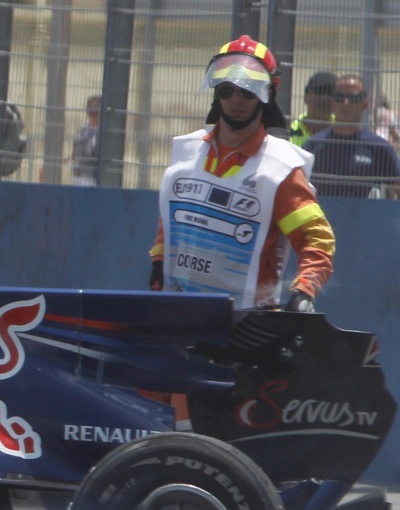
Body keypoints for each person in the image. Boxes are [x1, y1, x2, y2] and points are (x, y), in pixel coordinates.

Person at [148, 35, 334, 313]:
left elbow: (317, 239)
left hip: (249, 326)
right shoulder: (187, 152)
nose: (236, 99)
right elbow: (173, 220)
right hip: (180, 315)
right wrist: (158, 261)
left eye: (248, 91)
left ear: (268, 94)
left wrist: (304, 290)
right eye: (227, 90)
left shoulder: (280, 170)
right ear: (216, 93)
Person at [304, 75, 400, 200]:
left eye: (353, 98)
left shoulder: (379, 147)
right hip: (319, 218)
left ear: (364, 104)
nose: (346, 103)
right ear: (333, 104)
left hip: (363, 217)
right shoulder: (313, 145)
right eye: (339, 97)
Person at [288, 70, 336, 148]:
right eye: (318, 92)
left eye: (330, 93)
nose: (323, 98)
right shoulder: (288, 133)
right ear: (305, 97)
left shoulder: (345, 135)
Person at [71, 94, 101, 186]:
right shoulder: (83, 128)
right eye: (90, 107)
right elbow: (77, 146)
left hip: (93, 176)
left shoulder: (101, 131)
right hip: (78, 174)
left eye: (96, 108)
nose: (92, 111)